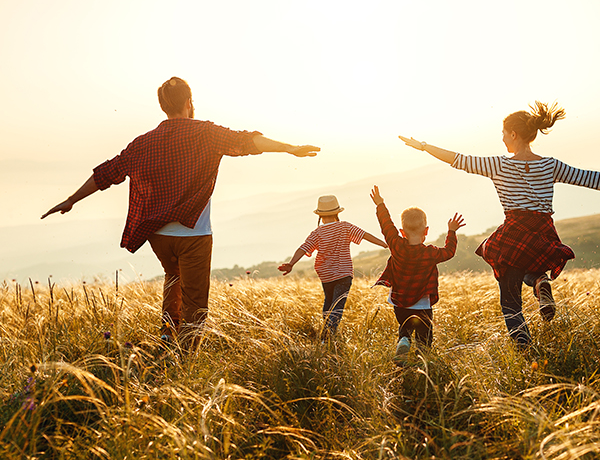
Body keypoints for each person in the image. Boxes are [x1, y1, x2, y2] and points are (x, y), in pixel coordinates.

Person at [42, 76, 320, 349]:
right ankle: (185, 356)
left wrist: (71, 199)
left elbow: (108, 173)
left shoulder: (143, 143)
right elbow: (247, 141)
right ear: (189, 102)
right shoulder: (206, 133)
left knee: (173, 278)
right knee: (195, 301)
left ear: (163, 106)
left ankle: (167, 336)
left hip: (158, 236)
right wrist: (289, 148)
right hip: (194, 234)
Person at [399, 101, 600, 348]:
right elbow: (588, 177)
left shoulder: (499, 164)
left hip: (514, 230)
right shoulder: (550, 165)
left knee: (510, 302)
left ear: (513, 134)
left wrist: (423, 146)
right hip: (543, 231)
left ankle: (524, 348)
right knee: (528, 267)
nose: (501, 138)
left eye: (503, 133)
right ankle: (539, 282)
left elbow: (458, 159)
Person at [369, 185, 465, 363]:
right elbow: (449, 252)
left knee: (404, 328)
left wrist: (380, 204)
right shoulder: (430, 253)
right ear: (426, 231)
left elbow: (386, 225)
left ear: (402, 232)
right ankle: (422, 360)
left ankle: (404, 340)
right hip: (422, 304)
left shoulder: (396, 245)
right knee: (424, 335)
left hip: (399, 302)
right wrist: (451, 232)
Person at [278, 195, 387, 339]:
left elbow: (303, 248)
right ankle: (328, 336)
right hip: (343, 274)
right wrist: (385, 244)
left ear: (320, 216)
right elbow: (365, 235)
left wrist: (291, 264)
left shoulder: (317, 233)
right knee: (338, 306)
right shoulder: (345, 227)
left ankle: (326, 334)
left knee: (328, 303)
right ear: (337, 213)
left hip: (326, 275)